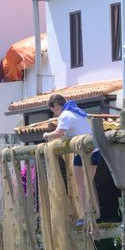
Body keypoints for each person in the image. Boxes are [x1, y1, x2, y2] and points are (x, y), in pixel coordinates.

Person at [45, 92, 100, 224]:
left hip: (82, 152)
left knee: (80, 185)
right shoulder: (78, 113)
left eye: (52, 108)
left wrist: (47, 135)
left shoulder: (65, 115)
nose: (53, 112)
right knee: (88, 185)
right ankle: (90, 215)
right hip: (95, 151)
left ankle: (87, 216)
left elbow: (58, 133)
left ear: (57, 105)